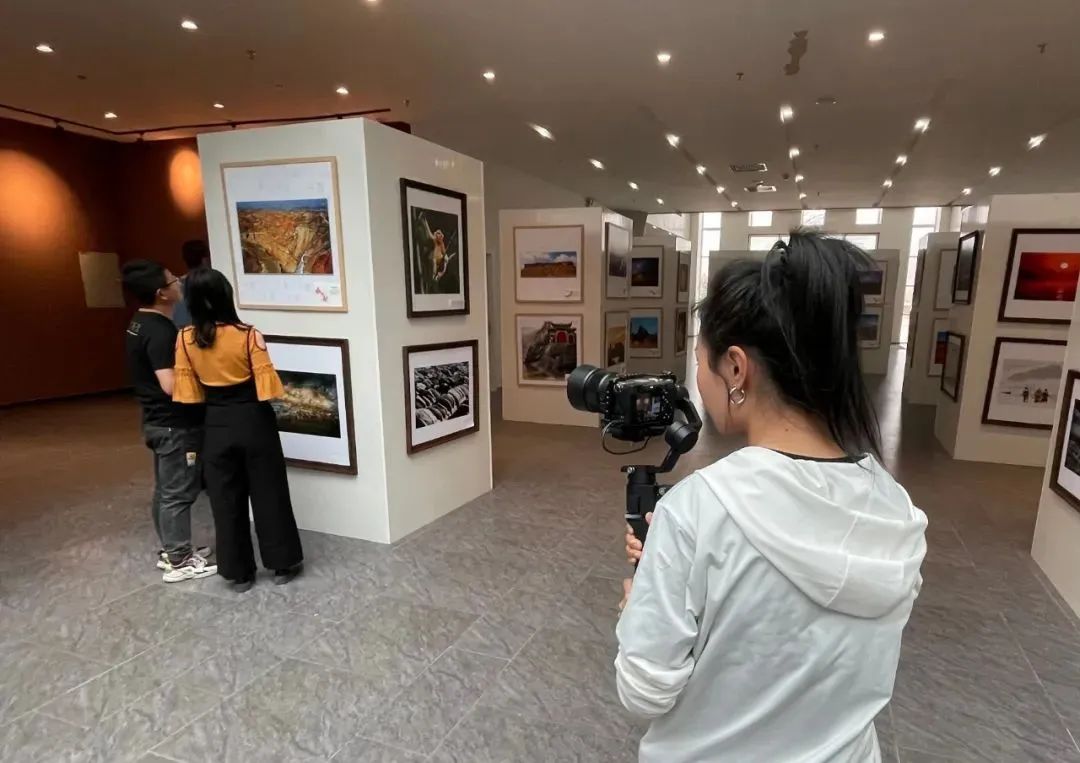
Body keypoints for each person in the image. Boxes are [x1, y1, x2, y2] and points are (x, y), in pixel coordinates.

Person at [617, 231, 928, 762]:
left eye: (701, 360)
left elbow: (644, 693)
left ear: (736, 368)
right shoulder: (896, 507)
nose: (698, 378)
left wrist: (638, 609)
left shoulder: (697, 509)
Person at [172, 268, 303, 592]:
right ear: (226, 295)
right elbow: (267, 388)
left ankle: (238, 572)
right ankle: (282, 564)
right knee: (270, 493)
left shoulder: (185, 339)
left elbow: (189, 394)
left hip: (215, 423)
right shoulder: (248, 335)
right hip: (254, 420)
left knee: (225, 499)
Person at [120, 259, 217, 583]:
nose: (180, 283)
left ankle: (172, 549)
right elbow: (171, 384)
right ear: (162, 293)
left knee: (165, 490)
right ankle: (180, 560)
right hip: (175, 425)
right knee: (178, 492)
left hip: (156, 421)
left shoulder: (139, 323)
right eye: (174, 280)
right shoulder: (161, 331)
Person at [171, 239, 212, 329]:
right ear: (205, 259)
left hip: (181, 334)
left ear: (184, 259)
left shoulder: (175, 286)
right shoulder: (213, 284)